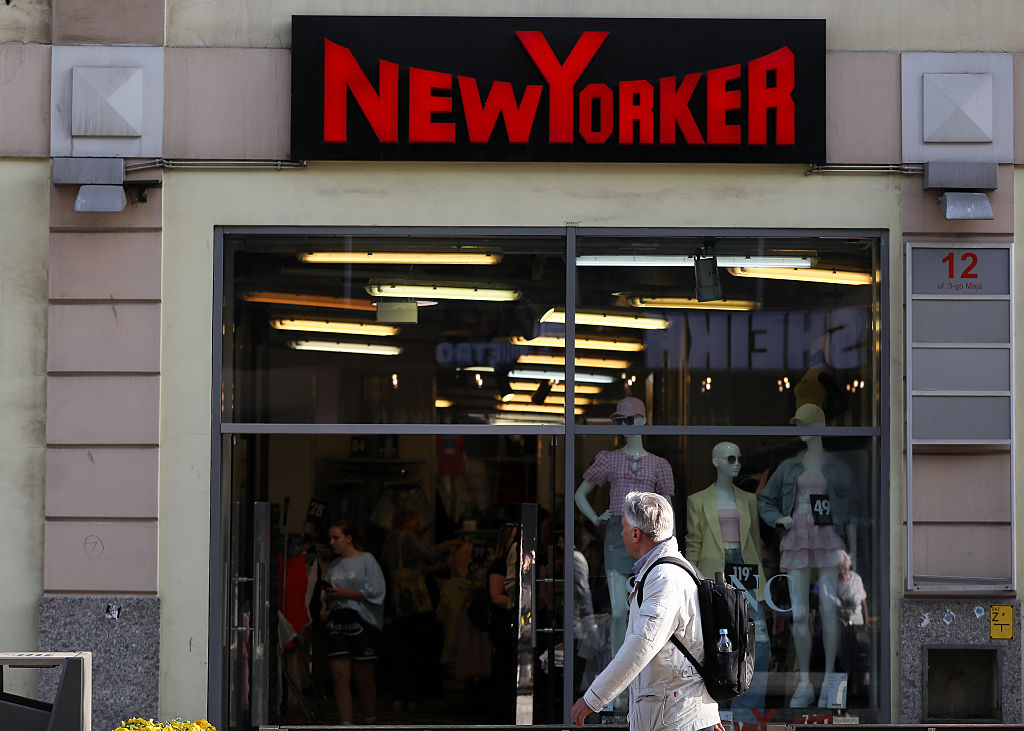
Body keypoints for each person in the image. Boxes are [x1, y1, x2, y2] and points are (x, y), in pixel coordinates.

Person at [571, 491, 722, 731]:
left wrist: (593, 698)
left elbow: (641, 644)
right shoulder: (670, 571)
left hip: (675, 718)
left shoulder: (664, 577)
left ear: (635, 533)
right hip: (678, 714)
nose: (620, 534)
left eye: (622, 527)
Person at [757, 403, 858, 707]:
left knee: (829, 611)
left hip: (827, 537)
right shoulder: (789, 466)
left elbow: (852, 508)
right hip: (798, 535)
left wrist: (849, 550)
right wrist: (780, 519)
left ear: (819, 428)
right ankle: (804, 683)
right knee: (800, 614)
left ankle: (828, 679)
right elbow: (766, 500)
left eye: (805, 424)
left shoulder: (838, 467)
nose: (800, 429)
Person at [575, 397, 675, 663]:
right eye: (620, 421)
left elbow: (668, 510)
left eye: (629, 420)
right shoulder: (609, 460)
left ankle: (641, 669)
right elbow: (580, 495)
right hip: (617, 535)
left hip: (649, 536)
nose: (625, 426)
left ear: (642, 420)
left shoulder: (659, 464)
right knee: (620, 611)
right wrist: (597, 518)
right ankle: (616, 675)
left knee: (646, 608)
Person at [685, 442, 770, 721]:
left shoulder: (748, 500)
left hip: (746, 571)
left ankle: (749, 709)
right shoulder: (698, 500)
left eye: (740, 458)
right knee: (717, 640)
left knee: (757, 639)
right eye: (732, 458)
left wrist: (762, 584)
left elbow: (755, 543)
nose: (737, 464)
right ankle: (715, 708)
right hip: (714, 573)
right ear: (716, 461)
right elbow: (694, 544)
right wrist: (692, 581)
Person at [380, 509, 464, 711]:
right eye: (414, 522)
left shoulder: (390, 540)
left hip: (396, 601)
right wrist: (449, 545)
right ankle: (412, 696)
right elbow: (428, 553)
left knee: (401, 650)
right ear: (406, 522)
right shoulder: (406, 537)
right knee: (415, 649)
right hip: (412, 604)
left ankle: (399, 695)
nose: (417, 527)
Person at [323, 520, 386, 724]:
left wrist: (345, 593)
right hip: (338, 619)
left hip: (362, 621)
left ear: (349, 538)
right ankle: (346, 723)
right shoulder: (334, 564)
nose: (331, 542)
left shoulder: (367, 560)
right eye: (330, 538)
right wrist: (331, 596)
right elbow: (324, 598)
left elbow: (376, 591)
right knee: (339, 675)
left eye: (336, 537)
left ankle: (369, 718)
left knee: (364, 677)